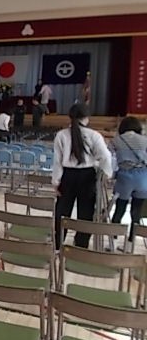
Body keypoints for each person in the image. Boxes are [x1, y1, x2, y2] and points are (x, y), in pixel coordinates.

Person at [53, 103, 112, 249]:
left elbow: (57, 161)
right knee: (86, 212)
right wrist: (105, 175)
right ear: (86, 118)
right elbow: (106, 157)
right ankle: (81, 245)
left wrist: (56, 182)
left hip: (67, 176)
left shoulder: (61, 135)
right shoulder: (94, 135)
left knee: (62, 211)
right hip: (87, 176)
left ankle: (58, 245)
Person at [108, 116, 147, 246]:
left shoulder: (116, 141)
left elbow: (111, 160)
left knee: (119, 209)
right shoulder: (145, 140)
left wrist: (112, 175)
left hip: (124, 177)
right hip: (142, 178)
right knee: (136, 211)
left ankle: (112, 240)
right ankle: (131, 242)